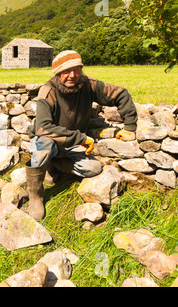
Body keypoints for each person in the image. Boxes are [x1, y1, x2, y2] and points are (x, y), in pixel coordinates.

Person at [26, 50, 138, 221]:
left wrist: (130, 126)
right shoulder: (47, 91)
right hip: (50, 140)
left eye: (77, 69)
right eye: (66, 71)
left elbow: (121, 94)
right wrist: (81, 138)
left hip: (71, 146)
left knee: (94, 169)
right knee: (43, 147)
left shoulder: (89, 85)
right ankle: (35, 196)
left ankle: (53, 164)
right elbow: (42, 128)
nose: (72, 75)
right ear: (57, 74)